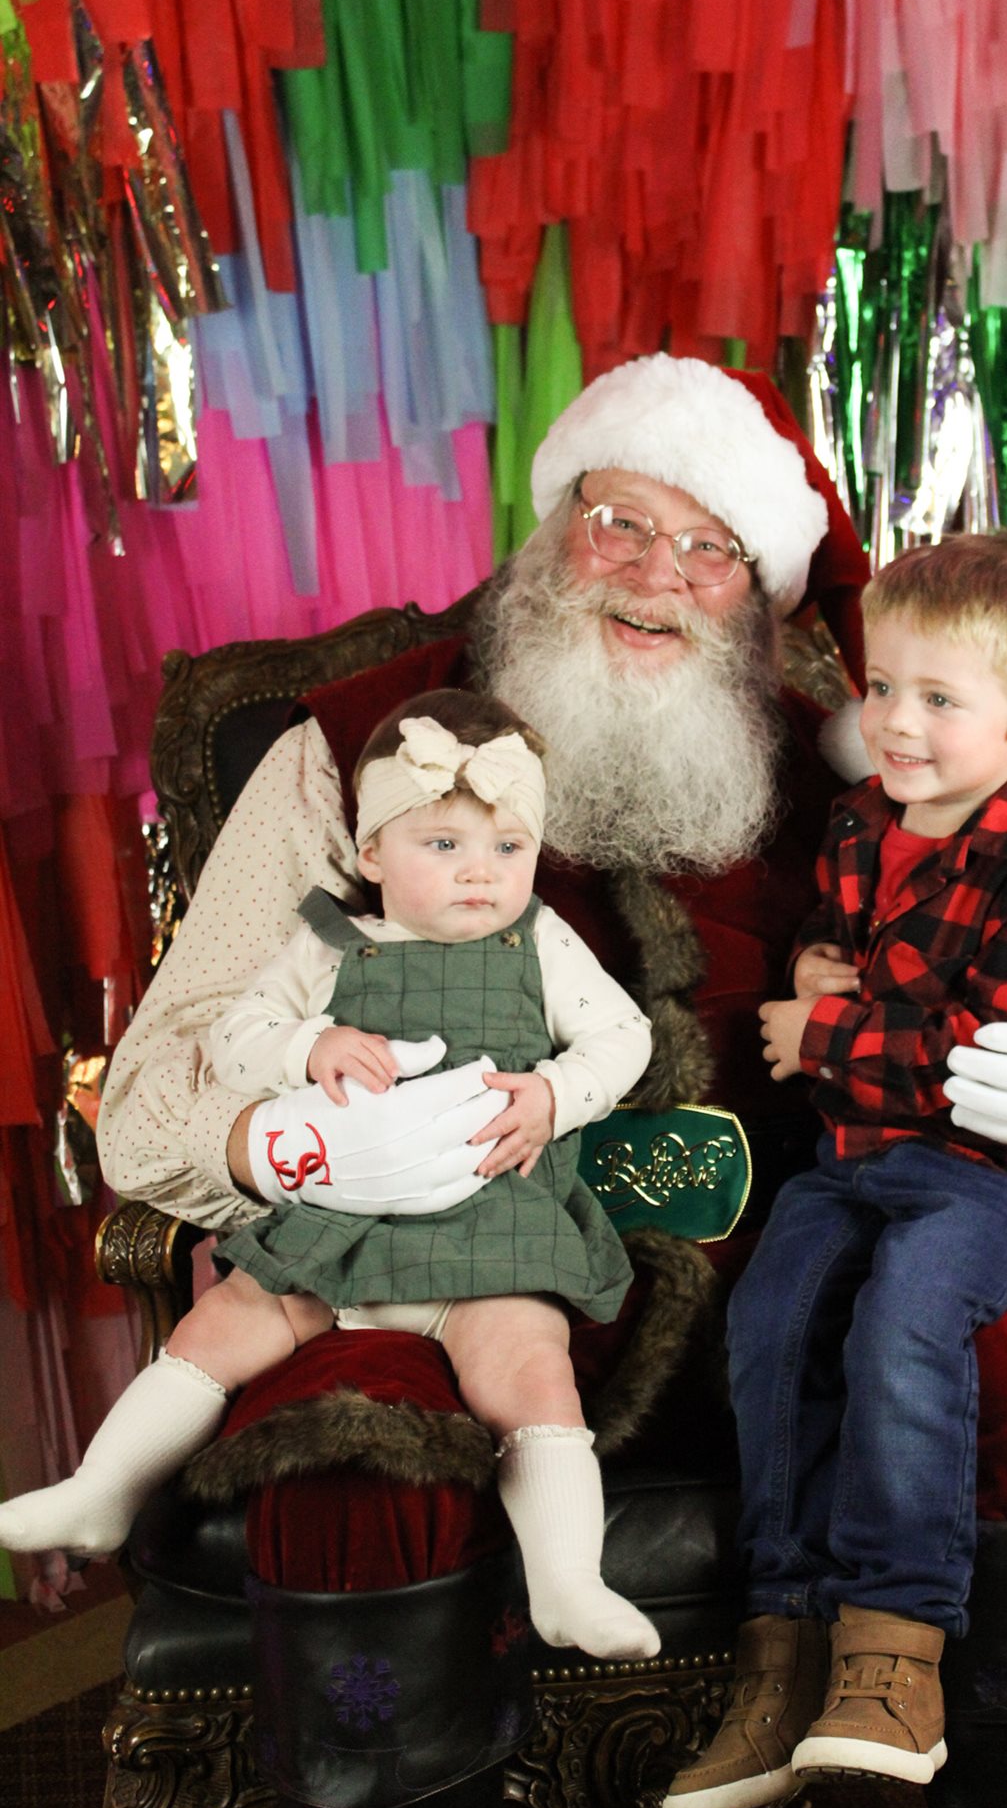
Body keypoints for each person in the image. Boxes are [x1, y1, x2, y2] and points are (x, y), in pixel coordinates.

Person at [86, 355, 1007, 1804]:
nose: (660, 576)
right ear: (554, 530)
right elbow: (155, 1089)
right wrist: (298, 1145)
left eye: (711, 547)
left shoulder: (848, 767)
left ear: (756, 594)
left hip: (791, 1281)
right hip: (446, 1274)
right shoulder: (356, 743)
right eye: (621, 523)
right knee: (352, 1471)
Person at [0, 692, 659, 1663]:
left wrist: (557, 1095)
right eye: (443, 844)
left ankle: (567, 1581)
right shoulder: (327, 940)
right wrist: (307, 1046)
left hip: (494, 1228)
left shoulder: (541, 940)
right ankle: (103, 1488)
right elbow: (236, 1035)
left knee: (531, 1370)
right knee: (220, 1322)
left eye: (508, 847)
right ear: (370, 854)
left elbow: (624, 1036)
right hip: (343, 1227)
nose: (480, 870)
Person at [663, 528, 1007, 1808]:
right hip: (859, 1155)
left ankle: (893, 1649)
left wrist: (820, 1031)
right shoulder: (862, 820)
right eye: (881, 686)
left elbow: (978, 1052)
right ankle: (782, 1645)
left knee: (909, 1306)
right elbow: (840, 935)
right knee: (769, 1308)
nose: (895, 721)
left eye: (938, 697)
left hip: (1001, 1179)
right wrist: (815, 962)